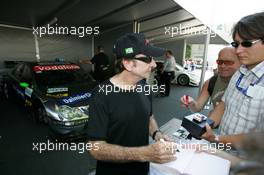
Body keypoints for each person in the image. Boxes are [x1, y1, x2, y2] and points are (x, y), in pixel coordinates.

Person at [86, 33, 177, 175]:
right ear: (128, 63)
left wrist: (156, 134)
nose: (153, 64)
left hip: (142, 170)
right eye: (148, 59)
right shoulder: (101, 94)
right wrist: (142, 154)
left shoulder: (144, 87)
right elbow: (95, 148)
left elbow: (149, 117)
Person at [201, 12, 264, 146]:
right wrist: (205, 127)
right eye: (236, 44)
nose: (238, 51)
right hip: (223, 149)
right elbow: (224, 105)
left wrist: (218, 139)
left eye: (247, 43)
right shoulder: (240, 72)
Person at [180, 47, 241, 112]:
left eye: (228, 62)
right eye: (220, 62)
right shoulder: (211, 82)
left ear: (240, 63)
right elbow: (197, 107)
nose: (222, 66)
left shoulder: (247, 83)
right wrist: (191, 102)